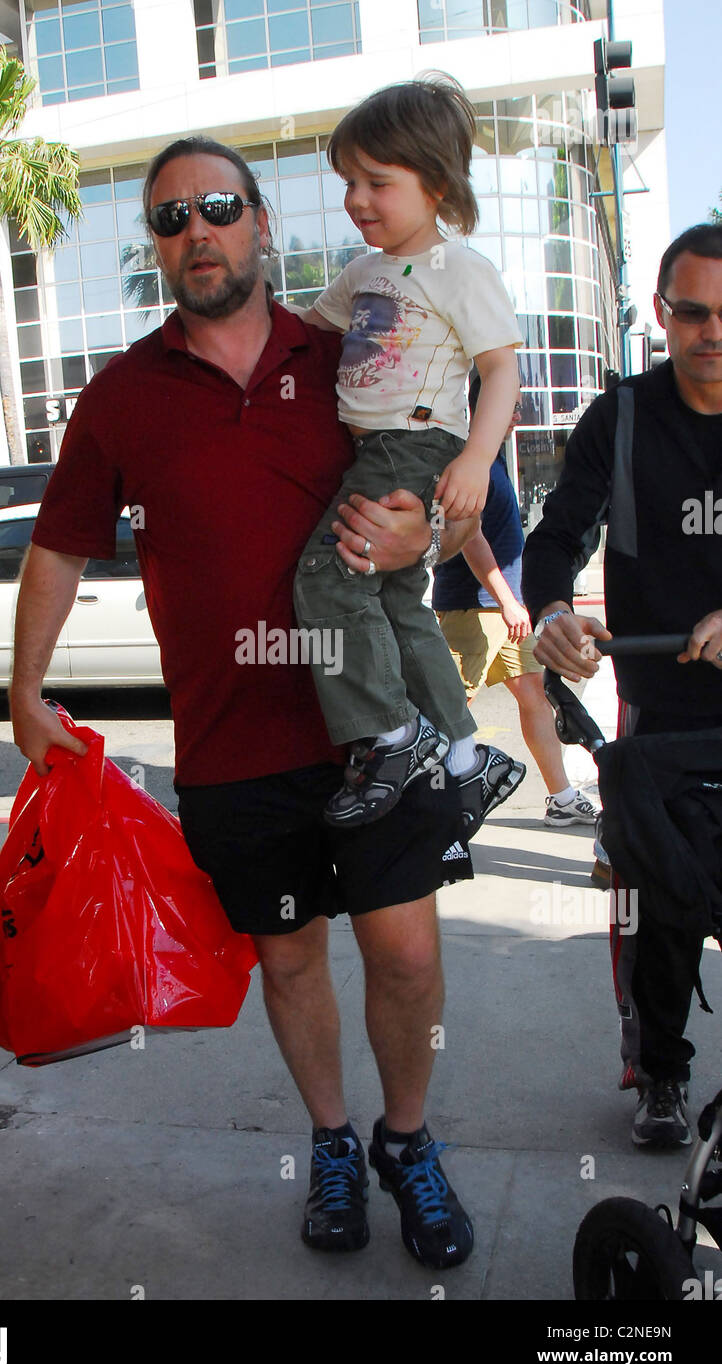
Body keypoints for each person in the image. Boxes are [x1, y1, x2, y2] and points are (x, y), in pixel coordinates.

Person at [10, 135, 479, 1269]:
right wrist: (24, 687)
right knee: (287, 959)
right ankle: (328, 1141)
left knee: (406, 954)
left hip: (374, 731)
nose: (195, 231)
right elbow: (61, 546)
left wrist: (434, 526)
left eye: (216, 206)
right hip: (230, 746)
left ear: (261, 221)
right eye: (170, 218)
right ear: (157, 247)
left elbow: (450, 480)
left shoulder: (350, 350)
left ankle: (405, 1141)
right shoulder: (122, 394)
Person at [523, 223, 722, 1147]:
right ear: (661, 314)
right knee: (659, 903)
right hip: (657, 718)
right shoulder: (623, 416)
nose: (712, 331)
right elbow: (558, 533)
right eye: (693, 312)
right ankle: (660, 1075)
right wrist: (556, 609)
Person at [293, 74, 525, 832]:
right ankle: (464, 754)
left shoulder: (460, 270)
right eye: (349, 181)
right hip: (380, 451)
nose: (357, 198)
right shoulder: (363, 273)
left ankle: (392, 736)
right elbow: (307, 332)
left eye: (377, 182)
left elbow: (501, 370)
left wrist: (475, 464)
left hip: (418, 446)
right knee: (397, 604)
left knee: (326, 583)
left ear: (435, 184)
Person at [434, 375, 598, 828]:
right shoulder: (470, 459)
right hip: (475, 608)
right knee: (445, 713)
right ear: (482, 404)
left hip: (505, 607)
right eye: (511, 404)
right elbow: (469, 537)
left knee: (533, 697)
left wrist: (514, 602)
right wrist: (508, 601)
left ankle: (562, 797)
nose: (518, 416)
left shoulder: (490, 458)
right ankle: (428, 813)